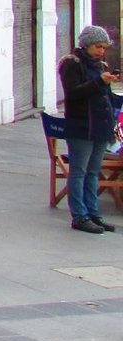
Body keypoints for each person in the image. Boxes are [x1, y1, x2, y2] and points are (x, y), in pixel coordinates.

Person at [57, 25, 120, 235]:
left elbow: (105, 95)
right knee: (79, 172)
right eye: (97, 46)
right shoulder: (71, 64)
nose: (101, 51)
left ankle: (94, 214)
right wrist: (98, 82)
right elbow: (73, 94)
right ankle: (79, 216)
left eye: (104, 47)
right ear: (86, 45)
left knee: (93, 172)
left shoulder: (100, 65)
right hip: (82, 127)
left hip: (101, 127)